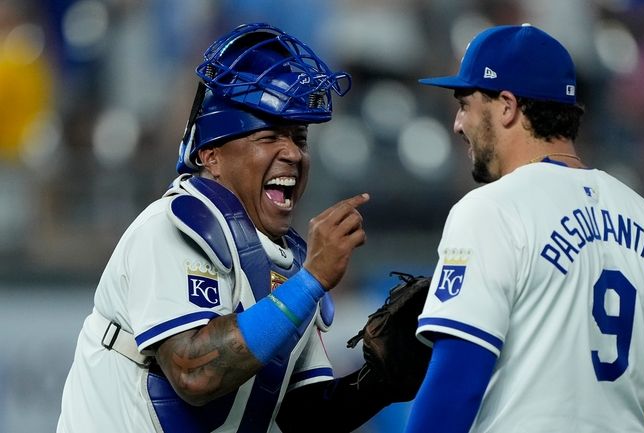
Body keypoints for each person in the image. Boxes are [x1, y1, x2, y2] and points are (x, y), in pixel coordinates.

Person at [57, 23, 407, 433]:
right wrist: (312, 281)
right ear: (212, 155)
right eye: (269, 136)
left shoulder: (291, 260)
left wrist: (386, 378)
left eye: (299, 137)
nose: (293, 152)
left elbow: (305, 416)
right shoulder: (170, 229)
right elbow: (194, 373)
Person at [406, 24, 644, 433]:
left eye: (466, 103)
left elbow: (453, 390)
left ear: (507, 105)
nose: (459, 124)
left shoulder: (491, 210)